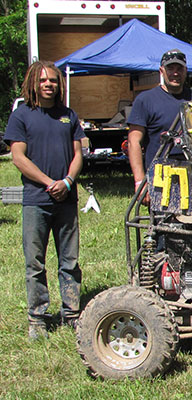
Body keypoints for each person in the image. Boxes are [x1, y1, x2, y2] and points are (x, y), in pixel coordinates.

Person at [5, 61, 85, 340]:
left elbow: (78, 155)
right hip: (36, 199)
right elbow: (18, 157)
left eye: (53, 80)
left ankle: (71, 313)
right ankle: (37, 318)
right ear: (33, 84)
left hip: (67, 198)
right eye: (43, 80)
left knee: (70, 260)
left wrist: (67, 182)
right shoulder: (22, 116)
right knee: (35, 262)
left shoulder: (68, 115)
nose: (48, 84)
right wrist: (49, 182)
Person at [127, 49, 192, 197]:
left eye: (179, 68)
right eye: (170, 68)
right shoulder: (146, 100)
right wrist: (140, 181)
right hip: (161, 177)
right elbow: (133, 142)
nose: (175, 73)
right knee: (163, 220)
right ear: (161, 71)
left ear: (186, 70)